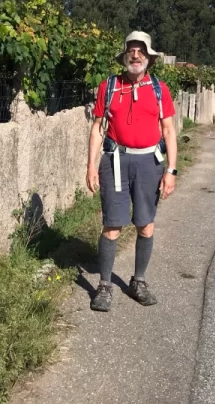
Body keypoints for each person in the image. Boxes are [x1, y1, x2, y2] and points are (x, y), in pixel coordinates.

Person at [86, 31, 178, 312]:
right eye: (131, 50)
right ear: (125, 55)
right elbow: (97, 128)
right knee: (112, 225)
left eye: (141, 50)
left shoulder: (160, 89)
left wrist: (171, 171)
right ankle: (104, 286)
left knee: (145, 224)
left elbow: (169, 131)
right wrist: (90, 165)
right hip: (114, 161)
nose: (135, 55)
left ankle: (138, 281)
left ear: (149, 57)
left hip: (149, 163)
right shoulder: (109, 86)